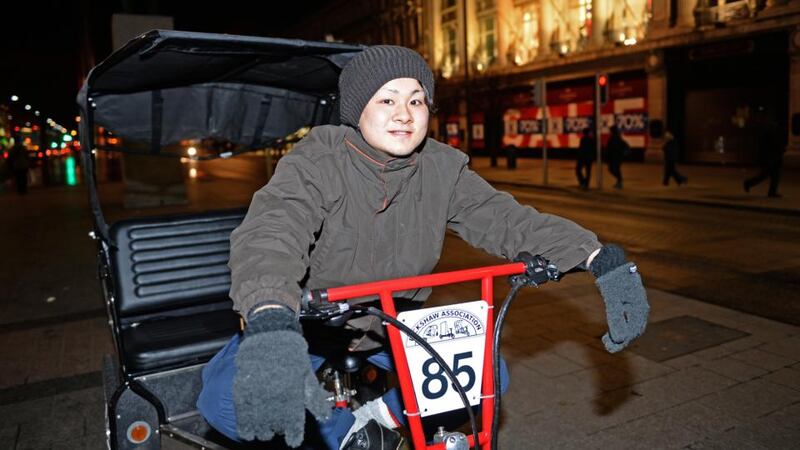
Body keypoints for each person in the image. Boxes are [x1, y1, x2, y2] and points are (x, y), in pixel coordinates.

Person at [197, 45, 649, 450]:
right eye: (387, 100)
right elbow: (274, 229)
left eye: (416, 100)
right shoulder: (317, 161)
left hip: (396, 319)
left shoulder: (441, 169)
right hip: (315, 319)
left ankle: (377, 418)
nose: (404, 114)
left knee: (487, 376)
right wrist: (269, 313)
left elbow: (504, 217)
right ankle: (346, 436)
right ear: (358, 108)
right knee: (224, 401)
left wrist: (597, 258)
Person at [744, 107, 785, 198]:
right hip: (770, 157)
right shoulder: (769, 130)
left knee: (769, 175)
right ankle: (749, 183)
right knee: (769, 175)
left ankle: (770, 191)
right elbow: (770, 145)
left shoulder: (768, 129)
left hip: (771, 156)